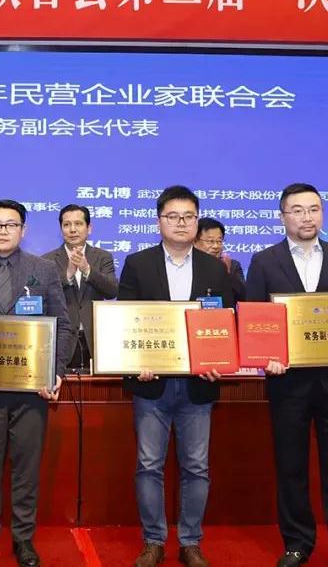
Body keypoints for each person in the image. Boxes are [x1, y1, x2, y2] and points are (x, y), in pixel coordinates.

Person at [244, 183, 328, 567]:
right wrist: (265, 356)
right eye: (297, 210)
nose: (306, 217)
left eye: (313, 209)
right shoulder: (264, 261)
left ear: (322, 214)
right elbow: (253, 317)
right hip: (287, 382)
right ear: (283, 216)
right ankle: (297, 543)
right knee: (291, 466)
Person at [120, 185, 242, 567]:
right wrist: (135, 360)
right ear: (159, 221)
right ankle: (153, 541)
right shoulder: (138, 264)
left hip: (197, 384)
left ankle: (190, 542)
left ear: (197, 221)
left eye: (188, 216)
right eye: (172, 216)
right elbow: (125, 321)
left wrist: (220, 359)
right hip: (151, 383)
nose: (181, 223)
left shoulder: (214, 268)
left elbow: (225, 321)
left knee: (196, 467)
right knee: (149, 465)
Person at [0, 199, 74, 567]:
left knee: (26, 469)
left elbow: (63, 325)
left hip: (31, 389)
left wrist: (55, 371)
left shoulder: (44, 270)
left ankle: (24, 539)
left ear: (23, 230)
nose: (2, 230)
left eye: (10, 224)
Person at [41, 203, 118, 372]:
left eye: (78, 224)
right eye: (67, 225)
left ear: (89, 228)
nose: (72, 229)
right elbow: (43, 296)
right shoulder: (47, 260)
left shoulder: (102, 257)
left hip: (94, 338)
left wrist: (87, 269)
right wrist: (68, 275)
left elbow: (112, 290)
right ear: (61, 229)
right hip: (62, 339)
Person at [194, 216, 246, 294]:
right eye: (210, 241)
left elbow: (243, 295)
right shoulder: (187, 265)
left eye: (219, 241)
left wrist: (226, 273)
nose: (216, 246)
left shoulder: (233, 266)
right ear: (194, 241)